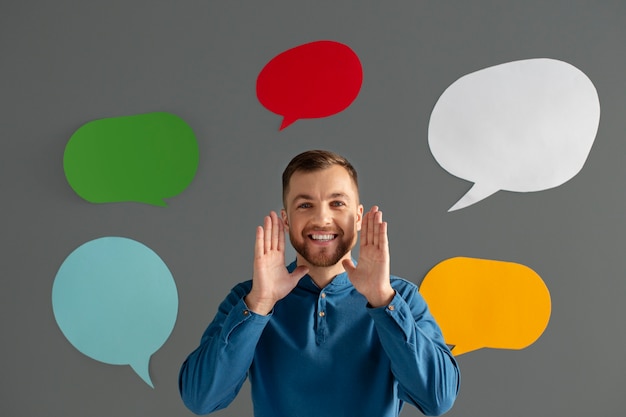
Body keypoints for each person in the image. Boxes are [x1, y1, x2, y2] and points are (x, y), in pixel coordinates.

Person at [179, 150, 460, 417]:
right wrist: (259, 305)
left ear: (359, 216)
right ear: (286, 220)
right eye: (305, 205)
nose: (322, 218)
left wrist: (383, 300)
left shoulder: (401, 297)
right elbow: (200, 398)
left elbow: (437, 398)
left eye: (337, 203)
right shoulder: (249, 297)